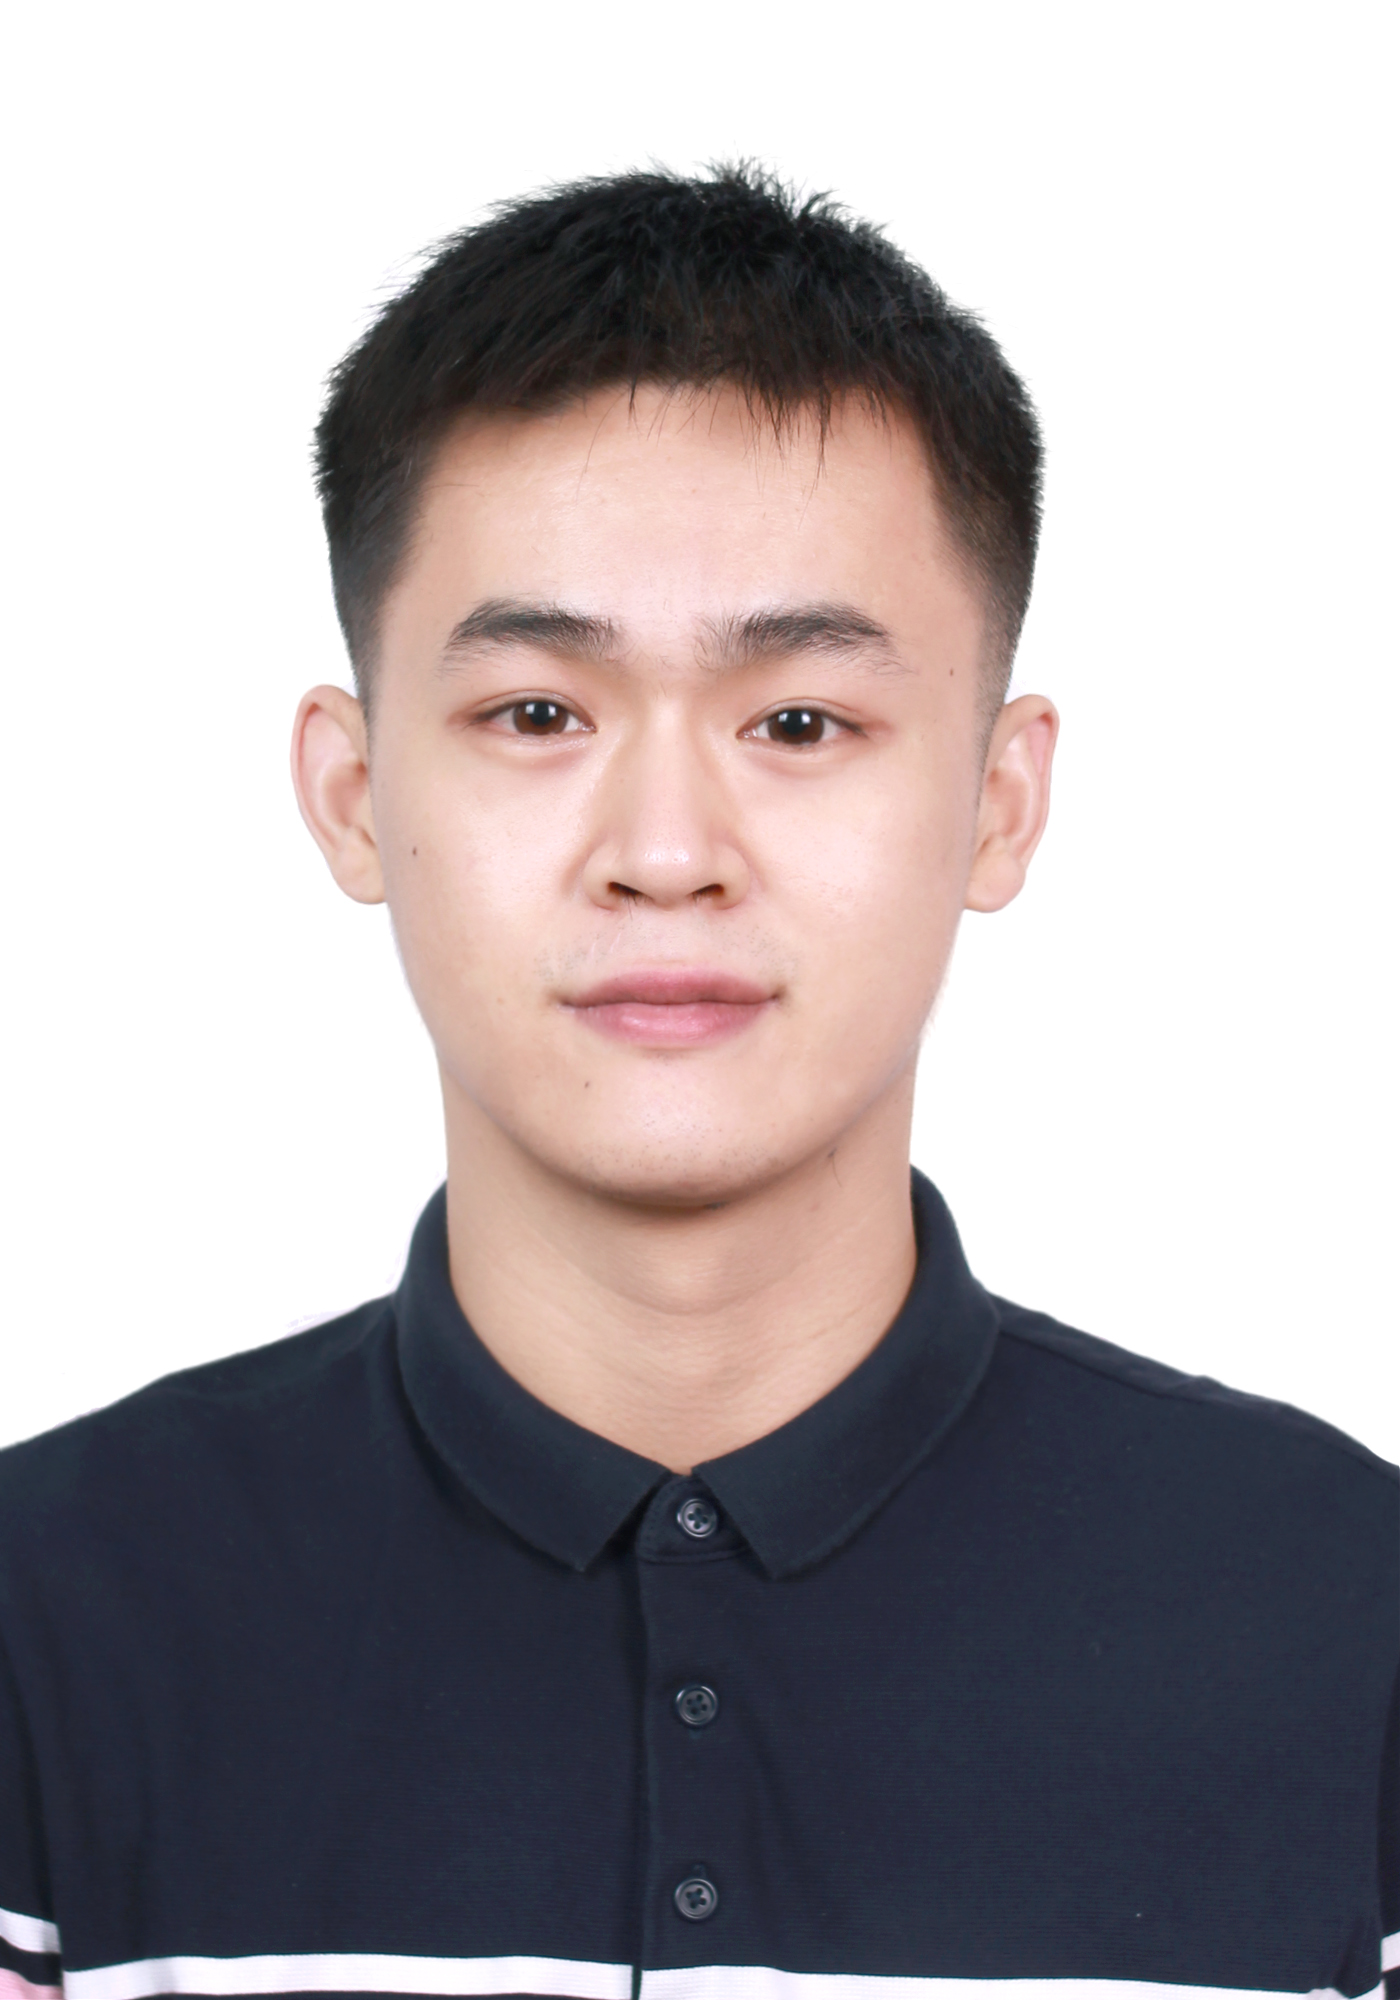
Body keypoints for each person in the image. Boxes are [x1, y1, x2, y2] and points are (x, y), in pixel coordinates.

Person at [0, 166, 1394, 2000]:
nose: (666, 852)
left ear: (1000, 801)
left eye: (799, 721)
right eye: (538, 714)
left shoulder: (1353, 1623)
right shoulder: (45, 1626)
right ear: (353, 792)